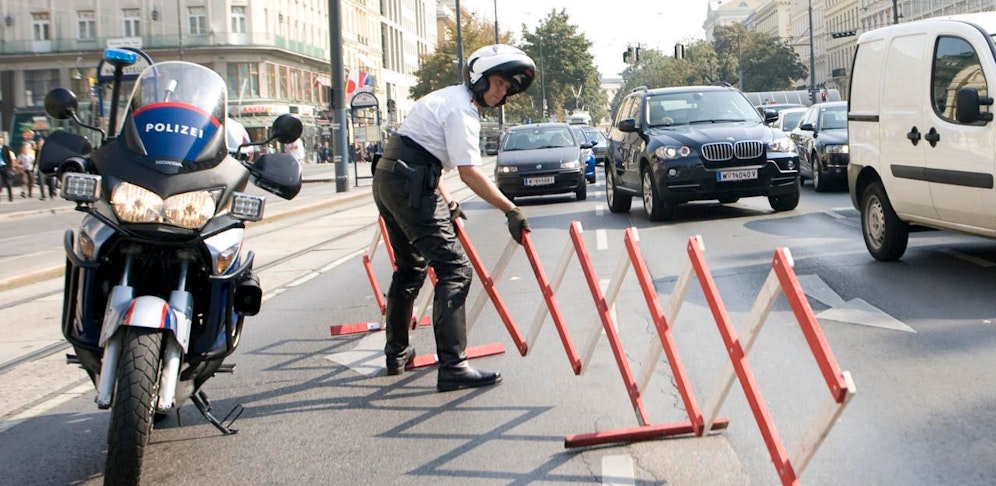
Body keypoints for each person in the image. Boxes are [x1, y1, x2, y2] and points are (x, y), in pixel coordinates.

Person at [372, 44, 535, 392]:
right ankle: (454, 366)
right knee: (455, 270)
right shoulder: (462, 111)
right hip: (409, 182)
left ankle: (396, 352)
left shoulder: (446, 98)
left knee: (410, 268)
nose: (501, 91)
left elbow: (428, 153)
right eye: (498, 83)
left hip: (391, 177)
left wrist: (447, 202)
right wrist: (510, 209)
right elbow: (470, 173)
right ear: (479, 77)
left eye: (507, 88)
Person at [0, 135, 14, 202]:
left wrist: (10, 167)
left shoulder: (5, 148)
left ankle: (10, 196)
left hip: (5, 167)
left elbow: (9, 158)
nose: (0, 142)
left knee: (8, 183)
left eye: (1, 141)